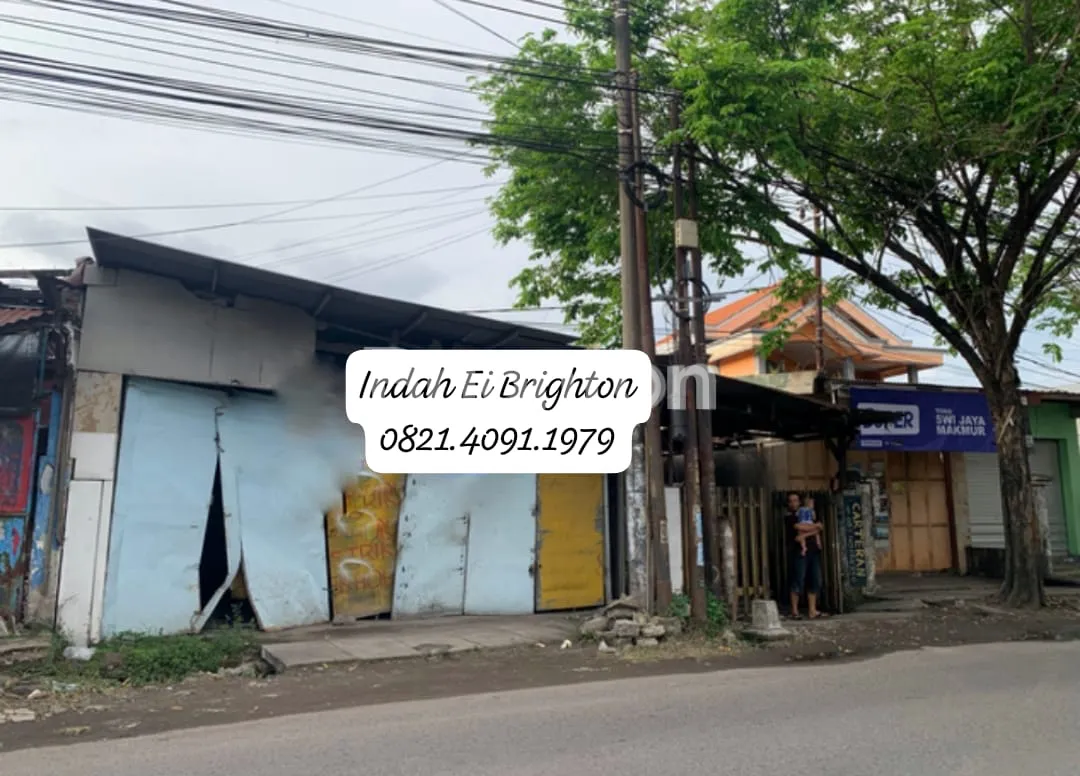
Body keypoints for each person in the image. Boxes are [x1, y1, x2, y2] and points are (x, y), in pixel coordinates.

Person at [786, 491, 826, 619]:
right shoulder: (790, 517)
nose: (793, 503)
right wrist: (813, 528)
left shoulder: (808, 513)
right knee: (798, 579)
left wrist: (808, 532)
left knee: (815, 580)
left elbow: (820, 526)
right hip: (798, 552)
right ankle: (794, 611)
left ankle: (812, 610)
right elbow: (800, 527)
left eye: (795, 500)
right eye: (791, 501)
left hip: (813, 550)